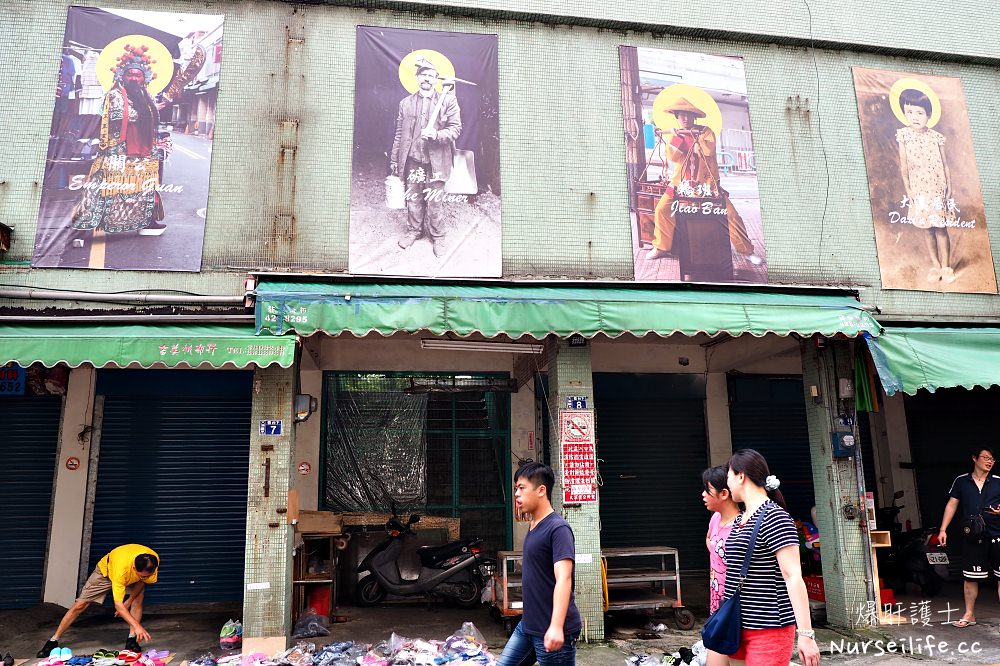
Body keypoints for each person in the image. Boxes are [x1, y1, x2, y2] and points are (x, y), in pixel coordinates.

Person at [723, 449, 819, 666]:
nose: (726, 483)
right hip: (737, 625)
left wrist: (806, 634)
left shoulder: (775, 517)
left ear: (741, 476)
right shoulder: (741, 519)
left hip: (768, 629)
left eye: (729, 476)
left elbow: (793, 577)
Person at [72, 44, 169, 237]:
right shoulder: (115, 94)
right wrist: (152, 110)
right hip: (118, 150)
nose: (134, 78)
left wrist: (156, 107)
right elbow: (121, 117)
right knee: (104, 188)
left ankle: (145, 222)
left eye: (138, 75)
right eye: (130, 74)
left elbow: (147, 117)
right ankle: (83, 225)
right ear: (122, 76)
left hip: (143, 150)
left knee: (144, 189)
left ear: (144, 78)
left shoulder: (146, 95)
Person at [647, 97, 758, 263]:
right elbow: (673, 157)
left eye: (688, 115)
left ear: (694, 117)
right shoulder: (676, 135)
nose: (685, 119)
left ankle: (746, 251)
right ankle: (661, 247)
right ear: (677, 117)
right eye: (681, 115)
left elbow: (706, 150)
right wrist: (678, 138)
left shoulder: (706, 132)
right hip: (681, 184)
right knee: (662, 209)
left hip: (707, 185)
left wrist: (693, 136)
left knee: (731, 214)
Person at [498, 463, 581, 666]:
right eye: (516, 488)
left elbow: (564, 578)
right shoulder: (535, 524)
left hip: (551, 628)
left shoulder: (558, 528)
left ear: (541, 490)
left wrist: (556, 626)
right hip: (529, 625)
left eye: (521, 488)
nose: (516, 494)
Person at [390, 57, 462, 258]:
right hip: (413, 160)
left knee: (435, 200)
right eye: (423, 74)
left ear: (436, 78)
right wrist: (395, 159)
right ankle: (414, 231)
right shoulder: (405, 103)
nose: (427, 79)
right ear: (417, 76)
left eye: (431, 75)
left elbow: (456, 129)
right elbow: (399, 133)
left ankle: (438, 236)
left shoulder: (447, 100)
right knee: (413, 198)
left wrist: (438, 135)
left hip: (436, 161)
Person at [38, 544, 159, 657]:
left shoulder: (152, 562)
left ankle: (132, 641)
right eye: (143, 575)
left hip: (130, 575)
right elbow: (118, 605)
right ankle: (53, 641)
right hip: (105, 573)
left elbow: (142, 581)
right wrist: (138, 626)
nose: (146, 577)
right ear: (134, 568)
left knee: (137, 601)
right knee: (80, 605)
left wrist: (129, 600)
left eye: (148, 575)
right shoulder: (121, 570)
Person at [895, 88, 956, 284]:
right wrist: (908, 189)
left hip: (937, 189)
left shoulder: (936, 137)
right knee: (927, 229)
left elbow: (945, 164)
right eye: (909, 112)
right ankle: (935, 265)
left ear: (929, 114)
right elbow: (904, 166)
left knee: (940, 228)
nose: (914, 117)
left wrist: (949, 186)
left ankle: (946, 267)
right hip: (919, 190)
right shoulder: (903, 136)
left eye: (919, 113)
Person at [936, 447, 1000, 628]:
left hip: (997, 535)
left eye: (992, 459)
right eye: (986, 457)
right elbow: (952, 505)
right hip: (973, 536)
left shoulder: (998, 482)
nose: (989, 461)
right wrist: (943, 529)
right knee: (970, 577)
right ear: (974, 458)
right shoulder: (962, 481)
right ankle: (969, 614)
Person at [703, 465, 739, 666]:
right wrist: (718, 556)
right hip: (718, 609)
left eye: (707, 490)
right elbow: (709, 539)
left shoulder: (742, 526)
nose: (703, 494)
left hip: (736, 611)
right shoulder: (716, 518)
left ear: (724, 494)